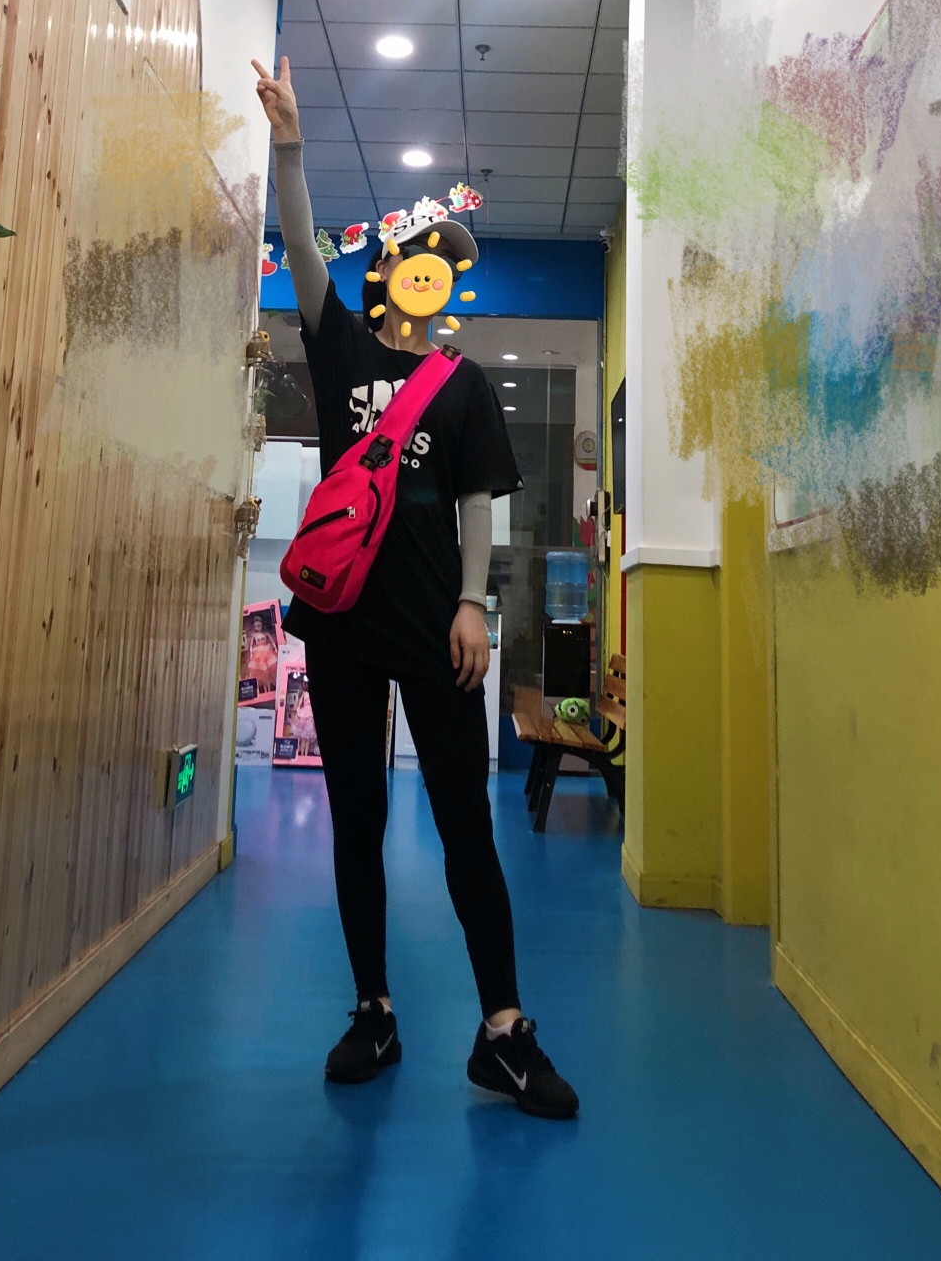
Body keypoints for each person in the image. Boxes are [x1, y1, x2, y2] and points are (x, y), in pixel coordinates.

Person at [252, 55, 579, 1121]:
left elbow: (479, 500)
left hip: (438, 628)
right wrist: (291, 145)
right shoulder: (340, 348)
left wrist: (474, 603)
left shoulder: (464, 384)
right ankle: (373, 1010)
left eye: (444, 263)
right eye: (417, 258)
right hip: (341, 623)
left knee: (463, 827)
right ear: (387, 272)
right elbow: (304, 247)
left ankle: (503, 1032)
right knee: (356, 817)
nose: (428, 274)